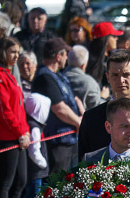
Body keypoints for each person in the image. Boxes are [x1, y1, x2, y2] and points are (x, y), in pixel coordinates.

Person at [0, 37, 29, 198]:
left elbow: (18, 107)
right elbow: (4, 110)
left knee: (20, 180)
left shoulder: (8, 74)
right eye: (13, 52)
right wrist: (19, 132)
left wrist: (24, 132)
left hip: (18, 135)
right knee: (5, 182)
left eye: (18, 52)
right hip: (6, 137)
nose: (16, 56)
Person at [32, 37, 83, 175]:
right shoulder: (45, 78)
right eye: (65, 54)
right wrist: (79, 122)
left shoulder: (57, 76)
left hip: (67, 139)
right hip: (57, 141)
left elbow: (71, 99)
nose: (67, 58)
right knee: (56, 184)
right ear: (58, 56)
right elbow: (59, 108)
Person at [63, 45, 102, 112]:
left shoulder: (58, 78)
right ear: (83, 65)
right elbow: (96, 110)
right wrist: (103, 97)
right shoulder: (90, 83)